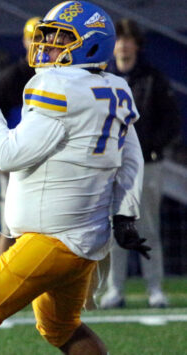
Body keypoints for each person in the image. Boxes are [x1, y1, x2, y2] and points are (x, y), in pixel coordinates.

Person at [0, 2, 150, 354]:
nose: (49, 46)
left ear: (90, 45)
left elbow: (9, 155)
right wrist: (124, 215)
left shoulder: (56, 84)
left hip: (53, 238)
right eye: (49, 37)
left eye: (62, 40)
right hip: (87, 239)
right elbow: (130, 158)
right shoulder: (117, 87)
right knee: (60, 327)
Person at [99, 18, 180, 309]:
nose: (123, 44)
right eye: (118, 39)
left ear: (137, 44)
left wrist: (153, 148)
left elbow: (171, 120)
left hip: (146, 164)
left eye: (128, 39)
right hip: (110, 166)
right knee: (112, 228)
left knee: (147, 227)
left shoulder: (152, 78)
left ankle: (154, 288)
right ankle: (114, 289)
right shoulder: (102, 78)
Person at [0, 16, 40, 257]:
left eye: (41, 39)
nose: (37, 45)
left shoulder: (53, 76)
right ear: (24, 41)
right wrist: (0, 155)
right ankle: (1, 283)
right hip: (16, 159)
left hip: (43, 160)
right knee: (10, 227)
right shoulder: (12, 78)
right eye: (33, 39)